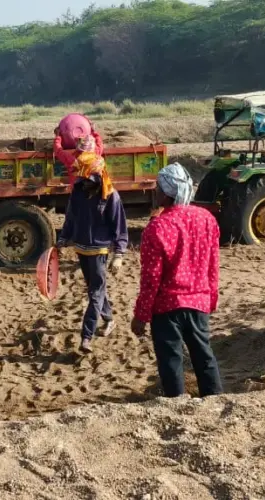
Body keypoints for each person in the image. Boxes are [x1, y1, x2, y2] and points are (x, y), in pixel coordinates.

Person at [131, 163, 223, 398]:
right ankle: (215, 400)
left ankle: (176, 404)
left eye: (158, 188)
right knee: (204, 355)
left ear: (166, 193)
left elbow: (151, 278)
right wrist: (211, 299)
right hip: (199, 302)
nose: (155, 192)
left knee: (171, 361)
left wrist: (141, 315)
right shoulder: (207, 219)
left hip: (167, 307)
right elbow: (212, 265)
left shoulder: (157, 228)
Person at [57, 146, 128, 353]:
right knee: (95, 288)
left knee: (95, 293)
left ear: (98, 177)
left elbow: (120, 227)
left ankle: (86, 337)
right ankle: (109, 319)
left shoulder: (111, 196)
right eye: (82, 179)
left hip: (99, 250)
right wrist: (63, 239)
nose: (85, 182)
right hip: (81, 249)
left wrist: (119, 254)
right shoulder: (78, 192)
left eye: (89, 179)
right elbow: (70, 218)